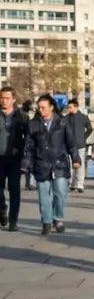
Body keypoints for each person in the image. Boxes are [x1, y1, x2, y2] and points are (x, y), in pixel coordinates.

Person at [20, 94, 82, 235]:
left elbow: (71, 143)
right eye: (39, 107)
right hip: (41, 163)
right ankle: (46, 221)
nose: (41, 110)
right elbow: (28, 146)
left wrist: (76, 159)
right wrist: (25, 163)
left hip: (59, 163)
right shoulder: (33, 124)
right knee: (43, 196)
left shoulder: (62, 122)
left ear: (51, 107)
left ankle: (57, 219)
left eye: (44, 107)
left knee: (60, 192)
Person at [0, 87, 29, 231]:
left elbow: (28, 138)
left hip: (14, 159)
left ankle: (13, 221)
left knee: (14, 189)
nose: (4, 101)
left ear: (13, 99)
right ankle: (2, 209)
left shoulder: (22, 117)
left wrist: (19, 147)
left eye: (7, 98)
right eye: (2, 98)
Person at [63, 100, 93, 193]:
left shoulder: (83, 117)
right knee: (71, 164)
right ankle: (72, 184)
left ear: (76, 107)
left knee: (80, 164)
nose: (69, 109)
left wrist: (84, 137)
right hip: (70, 144)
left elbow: (90, 128)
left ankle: (80, 184)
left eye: (70, 107)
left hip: (80, 144)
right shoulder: (66, 118)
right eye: (68, 107)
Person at [20, 99, 36, 190]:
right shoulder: (25, 115)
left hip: (23, 140)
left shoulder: (22, 114)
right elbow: (26, 129)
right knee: (28, 162)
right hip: (25, 140)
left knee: (25, 162)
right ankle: (28, 183)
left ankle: (27, 183)